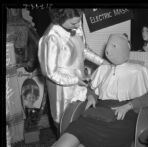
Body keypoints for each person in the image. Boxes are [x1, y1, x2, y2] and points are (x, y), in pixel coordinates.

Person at [48, 33, 148, 147]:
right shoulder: (103, 69)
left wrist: (128, 106)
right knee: (61, 145)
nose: (108, 50)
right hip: (97, 113)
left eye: (114, 46)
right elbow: (91, 88)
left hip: (122, 118)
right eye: (109, 46)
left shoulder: (139, 71)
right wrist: (91, 96)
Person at [37, 8, 109, 138]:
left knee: (80, 119)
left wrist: (103, 62)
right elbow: (50, 72)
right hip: (62, 89)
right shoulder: (51, 37)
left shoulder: (76, 25)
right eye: (73, 24)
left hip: (79, 82)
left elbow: (84, 50)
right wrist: (75, 80)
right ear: (59, 18)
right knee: (64, 124)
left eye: (79, 21)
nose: (77, 26)